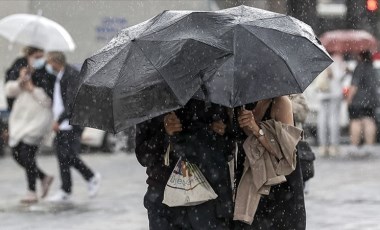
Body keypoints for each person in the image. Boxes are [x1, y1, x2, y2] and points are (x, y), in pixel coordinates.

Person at [135, 99, 234, 229]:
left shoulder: (213, 94)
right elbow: (144, 157)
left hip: (208, 195)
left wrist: (216, 131)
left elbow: (227, 148)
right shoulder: (150, 100)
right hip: (163, 197)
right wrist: (164, 133)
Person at [233, 96, 306, 230]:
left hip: (279, 184)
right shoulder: (242, 103)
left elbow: (285, 152)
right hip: (252, 180)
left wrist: (256, 129)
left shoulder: (281, 102)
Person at [45, 52, 101, 202]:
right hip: (63, 124)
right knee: (62, 155)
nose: (48, 66)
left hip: (71, 123)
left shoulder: (71, 75)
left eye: (49, 62)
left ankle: (91, 176)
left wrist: (59, 119)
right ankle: (66, 190)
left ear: (56, 61)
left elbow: (71, 102)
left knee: (69, 155)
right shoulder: (61, 75)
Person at [5, 52, 56, 203]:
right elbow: (9, 91)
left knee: (27, 154)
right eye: (35, 56)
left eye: (41, 56)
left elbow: (48, 101)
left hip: (38, 122)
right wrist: (21, 81)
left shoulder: (47, 75)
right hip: (21, 121)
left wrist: (32, 88)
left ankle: (31, 191)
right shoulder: (21, 70)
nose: (37, 60)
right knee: (16, 153)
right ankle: (43, 177)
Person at [347, 50, 379, 155]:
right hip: (371, 100)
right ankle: (369, 146)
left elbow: (354, 86)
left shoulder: (359, 67)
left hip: (358, 100)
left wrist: (349, 99)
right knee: (369, 121)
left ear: (360, 56)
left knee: (356, 122)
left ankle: (354, 147)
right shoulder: (372, 68)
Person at [315, 53, 347, 157]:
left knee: (322, 119)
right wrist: (344, 70)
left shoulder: (320, 57)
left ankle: (323, 146)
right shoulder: (337, 60)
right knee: (333, 119)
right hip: (334, 93)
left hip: (322, 93)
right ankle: (333, 146)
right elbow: (338, 77)